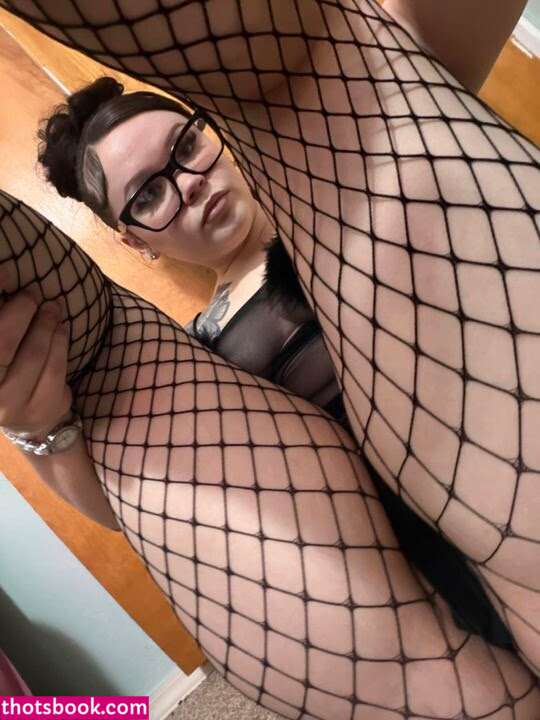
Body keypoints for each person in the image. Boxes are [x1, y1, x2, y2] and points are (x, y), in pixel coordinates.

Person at [0, 0, 539, 716]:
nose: (188, 182)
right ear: (135, 242)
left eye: (186, 145)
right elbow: (129, 510)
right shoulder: (195, 359)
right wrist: (40, 430)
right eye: (150, 194)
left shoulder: (353, 151)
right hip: (407, 579)